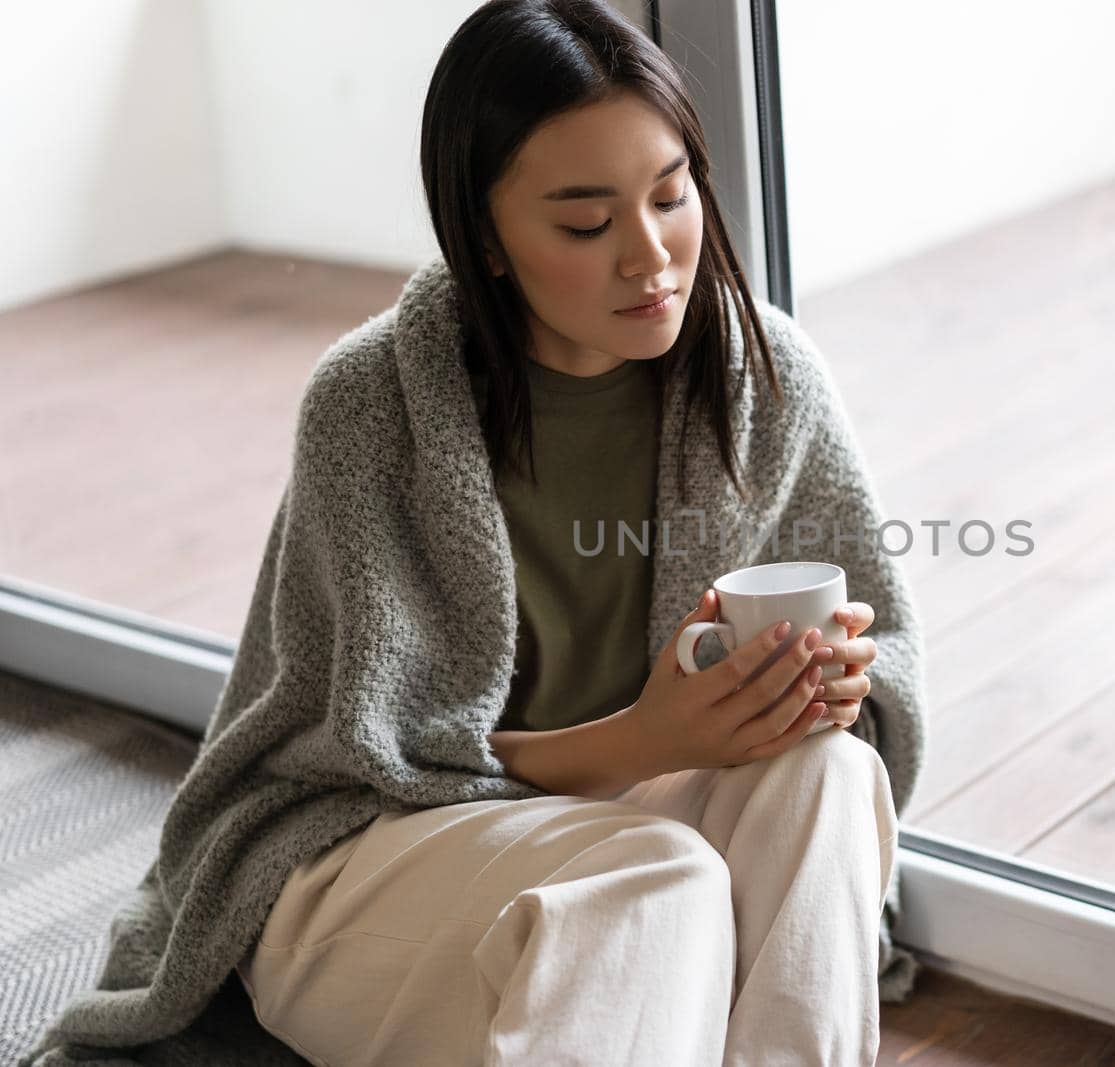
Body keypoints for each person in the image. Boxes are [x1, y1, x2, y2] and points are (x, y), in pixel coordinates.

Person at [21, 1, 928, 1064]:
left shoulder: (760, 378)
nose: (652, 256)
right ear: (486, 240)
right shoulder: (377, 407)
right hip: (371, 854)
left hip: (623, 827)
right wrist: (654, 737)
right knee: (652, 878)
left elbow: (888, 653)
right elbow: (364, 753)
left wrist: (828, 683)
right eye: (587, 224)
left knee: (824, 769)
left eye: (671, 195)